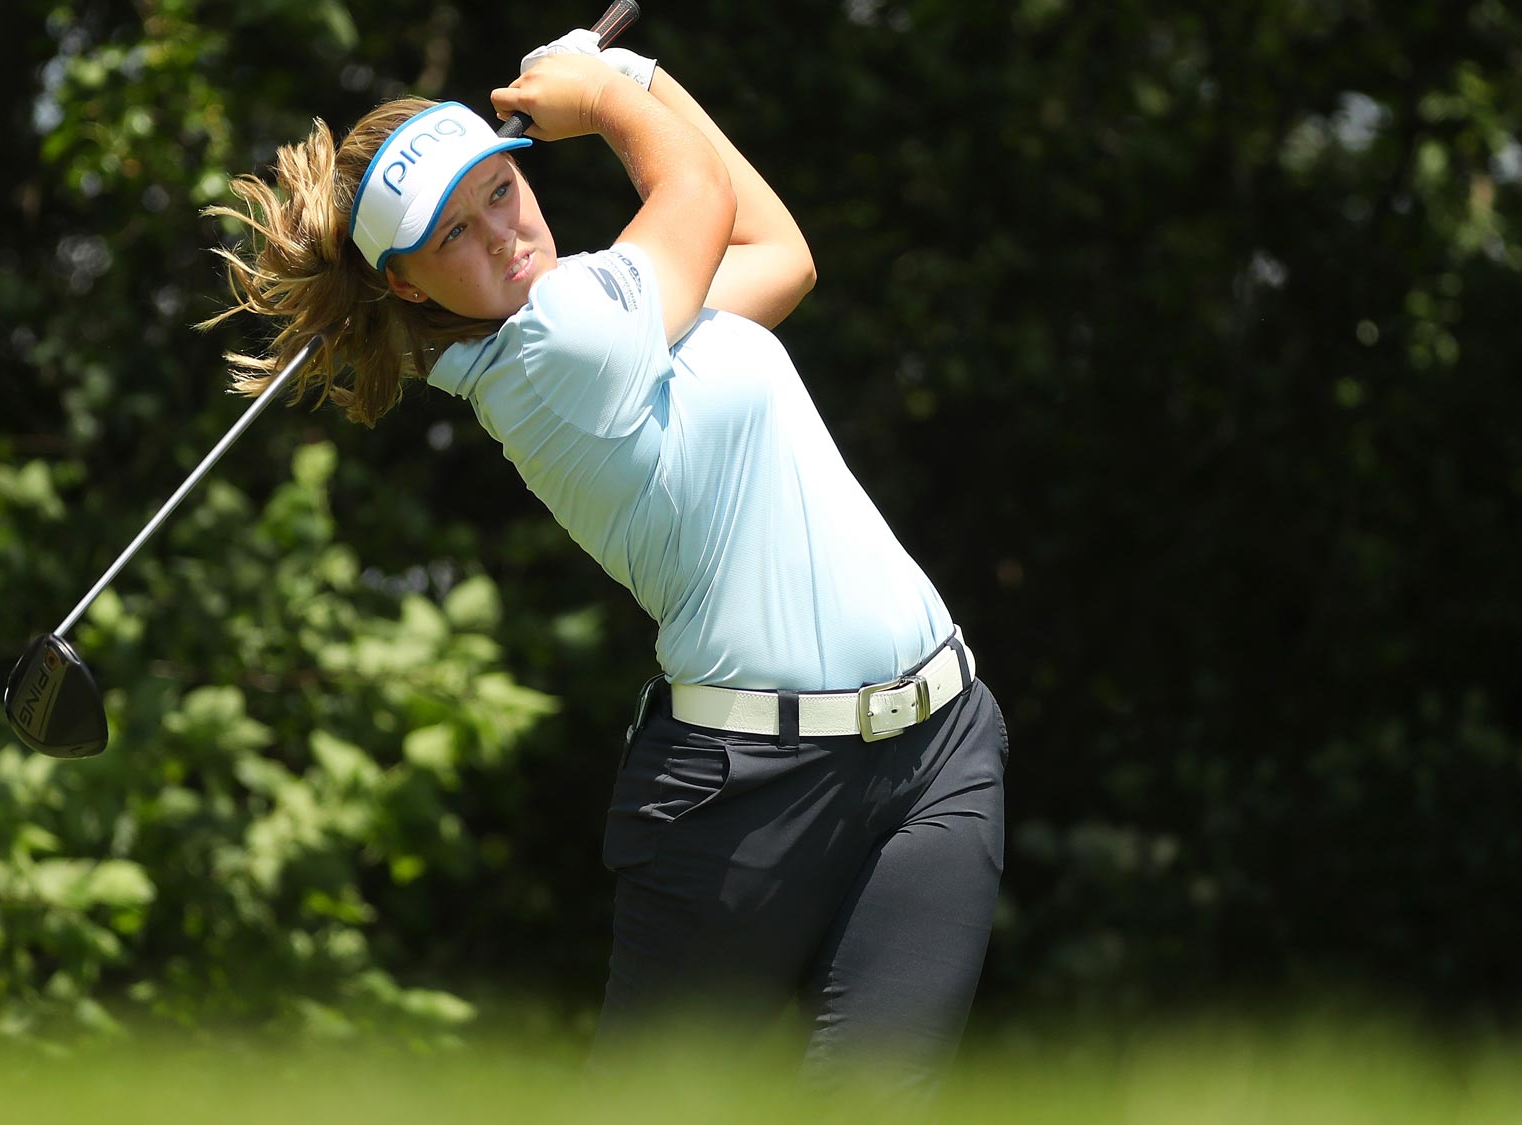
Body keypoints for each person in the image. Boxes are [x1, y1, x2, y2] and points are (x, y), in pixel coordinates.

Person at [202, 31, 1008, 1091]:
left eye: (498, 190)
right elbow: (698, 195)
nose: (500, 234)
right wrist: (607, 101)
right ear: (404, 288)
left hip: (938, 749)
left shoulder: (614, 299)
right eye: (454, 233)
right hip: (745, 801)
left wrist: (637, 76)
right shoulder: (553, 350)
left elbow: (780, 256)